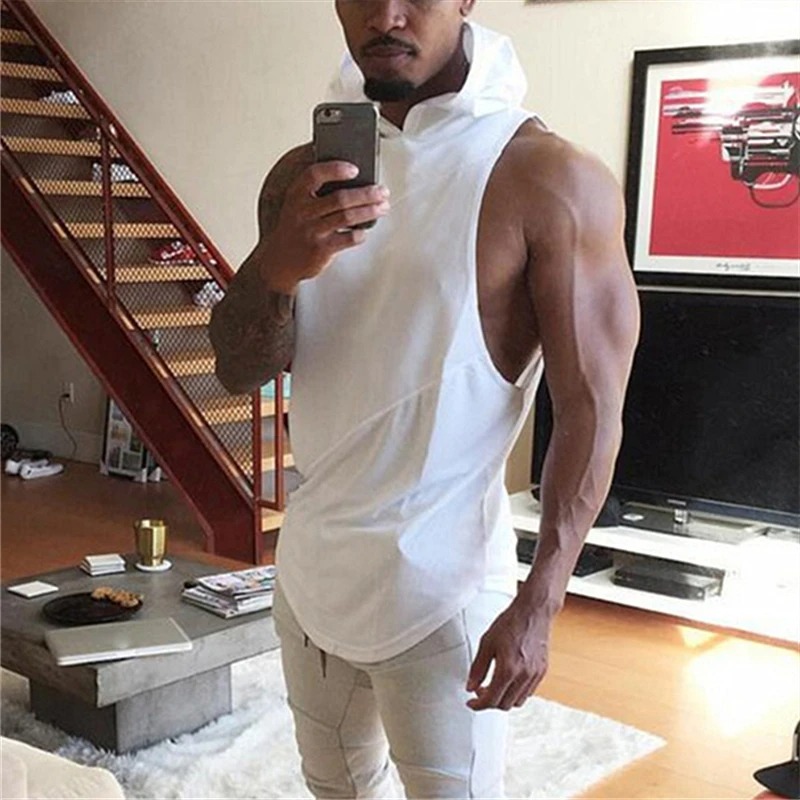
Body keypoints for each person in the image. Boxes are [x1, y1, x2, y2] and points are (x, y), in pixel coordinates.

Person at [210, 1, 639, 797]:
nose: (386, 14)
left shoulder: (548, 177)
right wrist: (278, 267)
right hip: (309, 577)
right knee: (335, 789)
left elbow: (591, 407)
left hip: (444, 593)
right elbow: (239, 369)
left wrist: (541, 603)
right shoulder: (301, 175)